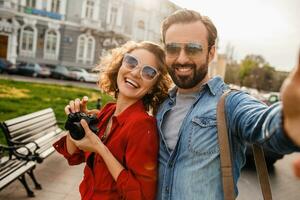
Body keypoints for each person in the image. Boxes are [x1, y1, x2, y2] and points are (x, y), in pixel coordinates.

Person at [156, 9, 300, 199]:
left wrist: (290, 120)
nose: (182, 58)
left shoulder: (230, 103)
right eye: (173, 49)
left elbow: (261, 122)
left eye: (193, 48)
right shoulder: (161, 104)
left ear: (211, 52)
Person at [53, 41, 171, 200]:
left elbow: (142, 195)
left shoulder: (143, 126)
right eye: (131, 62)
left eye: (148, 72)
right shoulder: (107, 112)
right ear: (120, 65)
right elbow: (73, 154)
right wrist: (77, 122)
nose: (135, 73)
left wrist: (100, 149)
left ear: (152, 86)